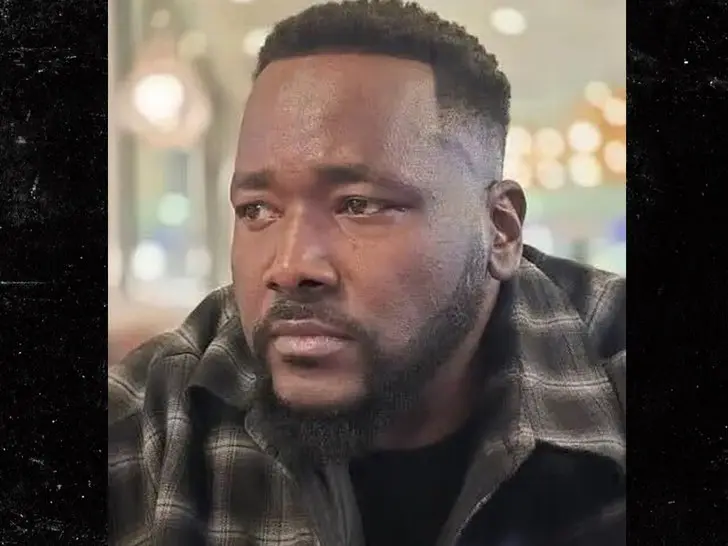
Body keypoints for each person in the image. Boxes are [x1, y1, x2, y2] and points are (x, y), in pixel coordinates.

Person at [108, 1, 626, 545]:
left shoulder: (612, 378)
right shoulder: (148, 423)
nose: (289, 267)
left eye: (359, 205)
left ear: (500, 231)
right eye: (257, 209)